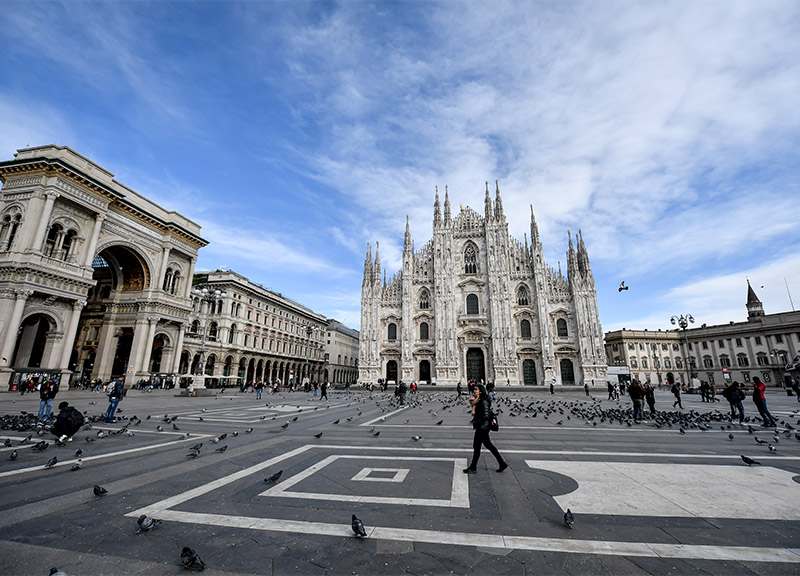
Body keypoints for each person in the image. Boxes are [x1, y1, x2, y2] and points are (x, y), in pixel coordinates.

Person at [463, 384, 507, 474]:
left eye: (476, 389)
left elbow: (486, 416)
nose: (474, 391)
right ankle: (502, 463)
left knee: (477, 447)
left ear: (481, 391)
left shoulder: (483, 401)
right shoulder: (478, 401)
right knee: (488, 445)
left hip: (483, 427)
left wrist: (477, 422)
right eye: (474, 389)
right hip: (482, 427)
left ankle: (473, 467)